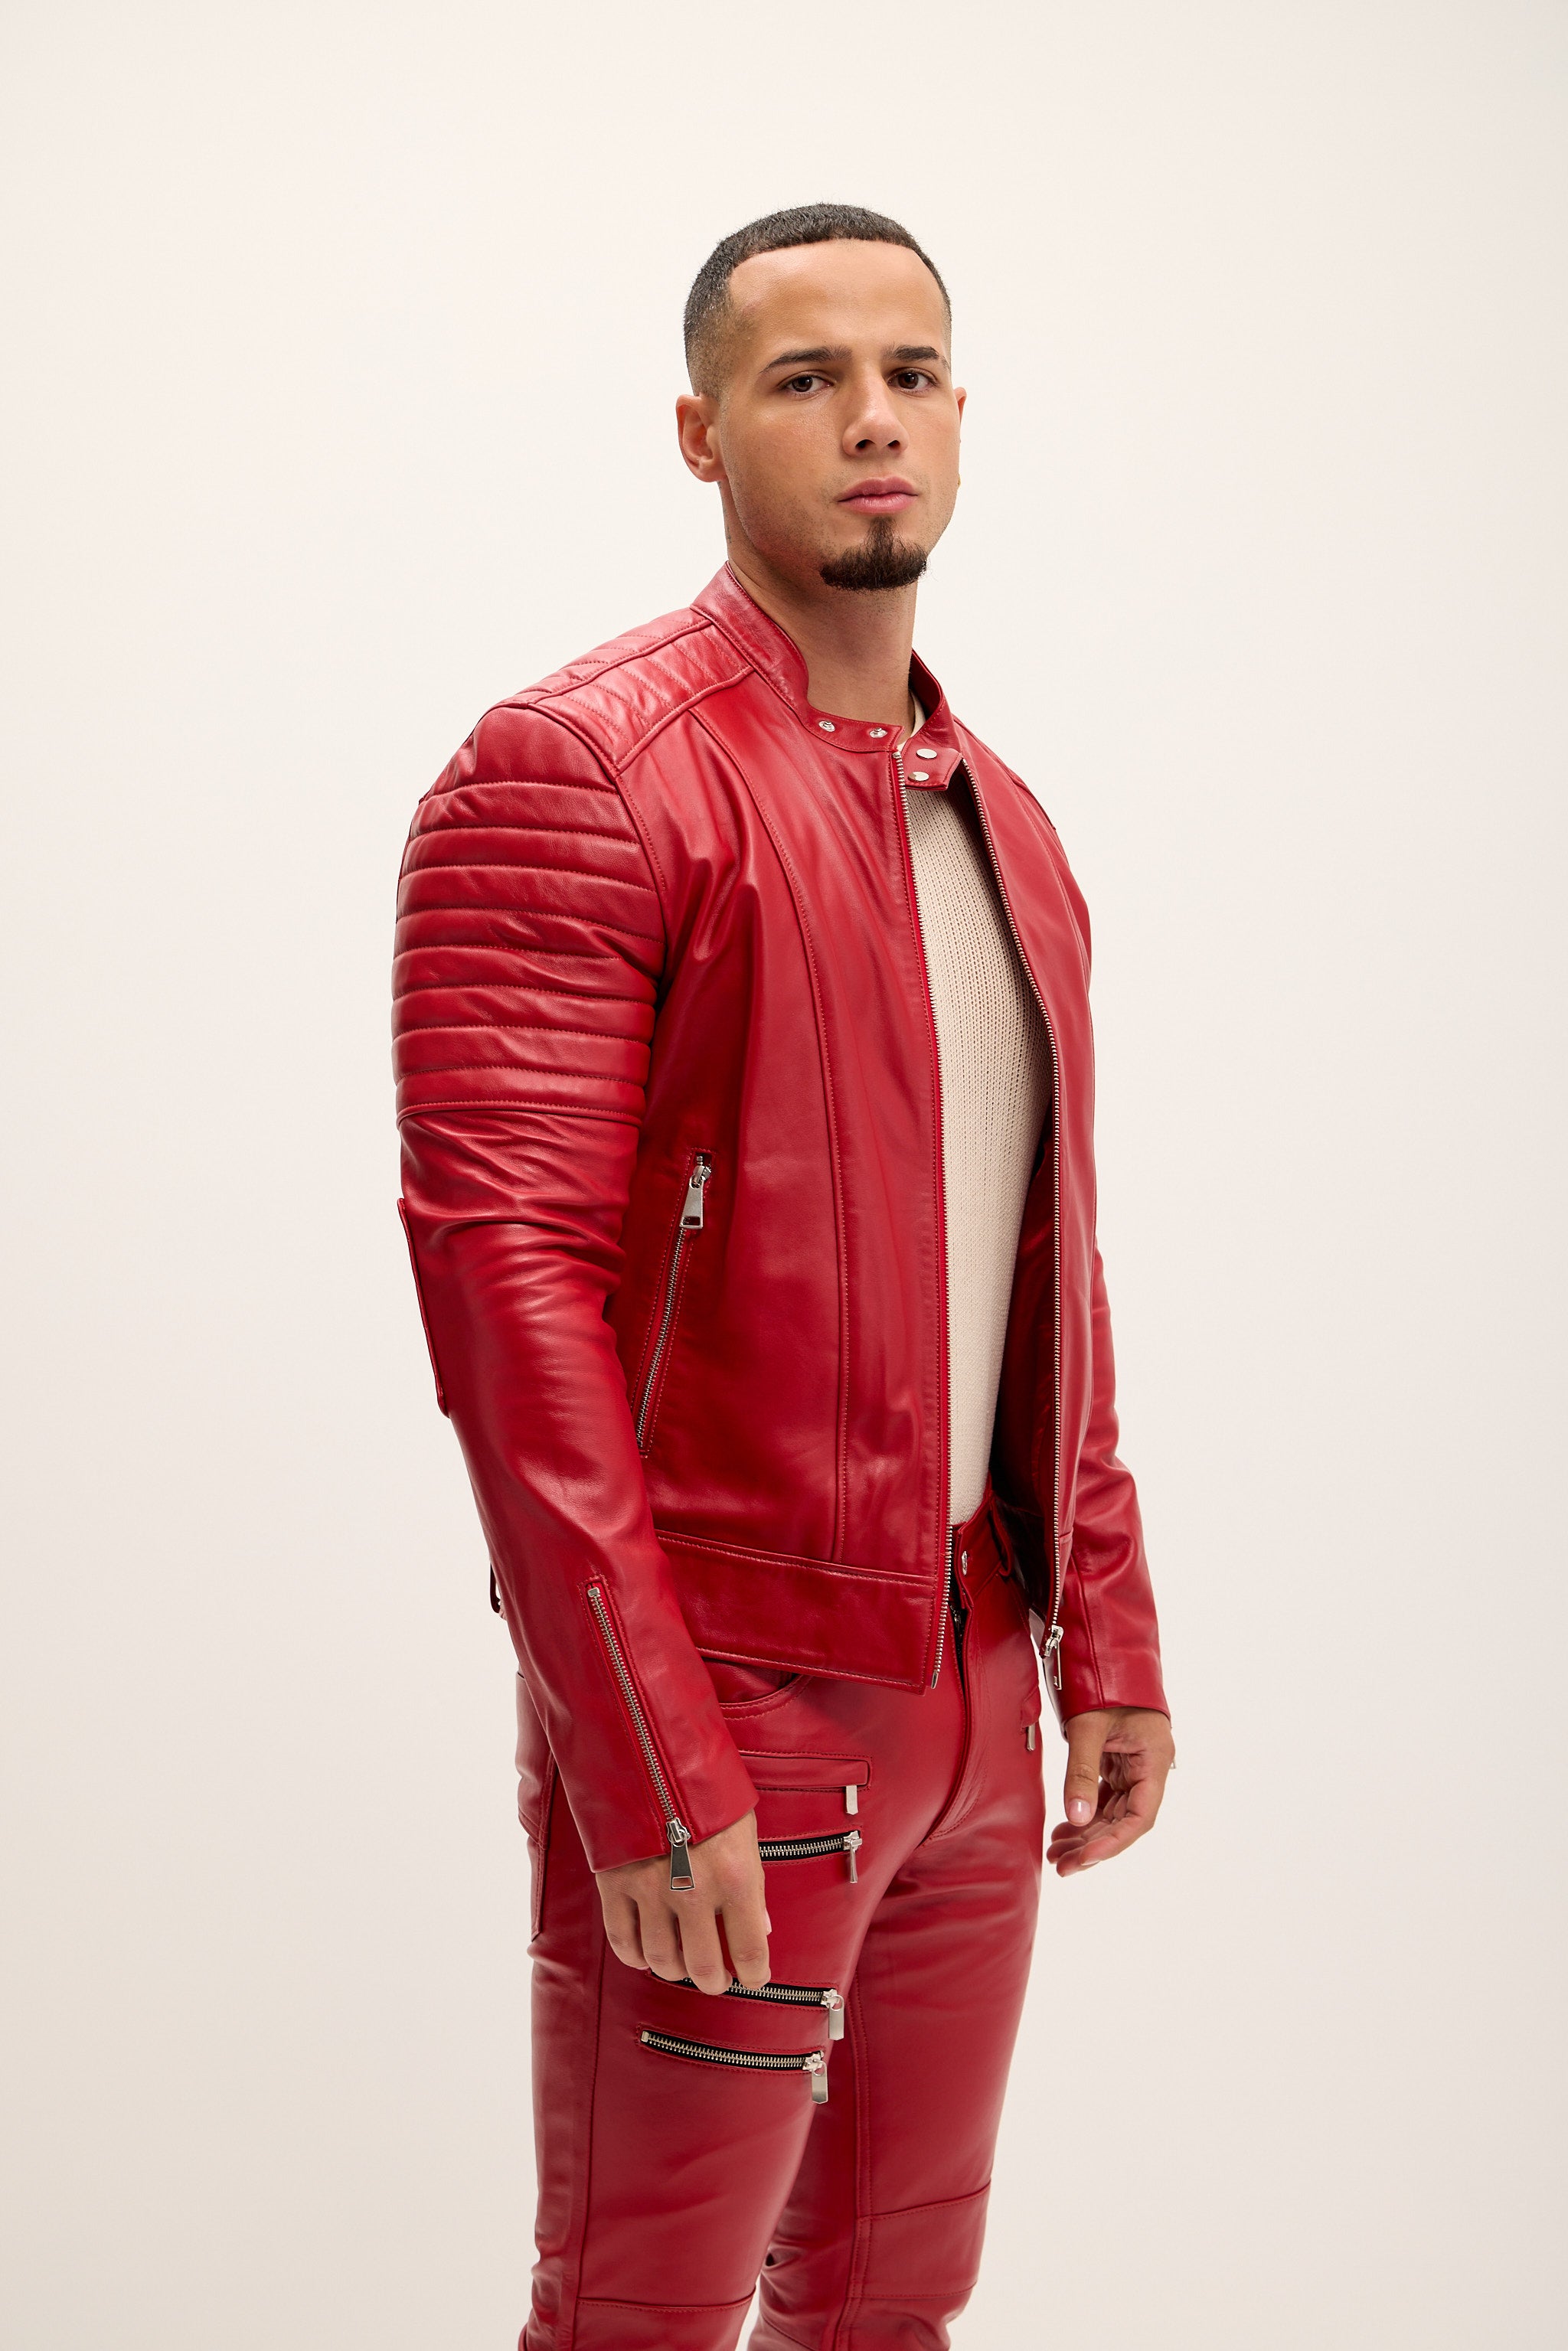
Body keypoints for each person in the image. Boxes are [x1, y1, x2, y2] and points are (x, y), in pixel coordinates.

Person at [393, 202, 1173, 2351]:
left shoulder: (1005, 822)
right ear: (700, 432)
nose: (871, 423)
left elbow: (1044, 1252)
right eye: (806, 379)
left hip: (977, 1688)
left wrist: (1102, 1626)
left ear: (962, 416)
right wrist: (648, 1755)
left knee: (892, 2305)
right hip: (731, 1699)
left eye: (910, 375)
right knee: (636, 2318)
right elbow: (509, 1304)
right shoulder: (580, 772)